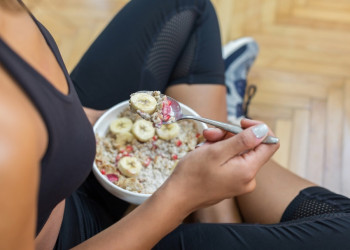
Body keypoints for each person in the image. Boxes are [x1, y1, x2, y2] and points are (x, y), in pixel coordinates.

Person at [0, 1, 349, 250]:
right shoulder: (8, 140)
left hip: (68, 166)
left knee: (187, 8)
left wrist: (84, 128)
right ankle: (215, 204)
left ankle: (217, 200)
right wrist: (180, 197)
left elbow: (49, 116)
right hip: (87, 237)